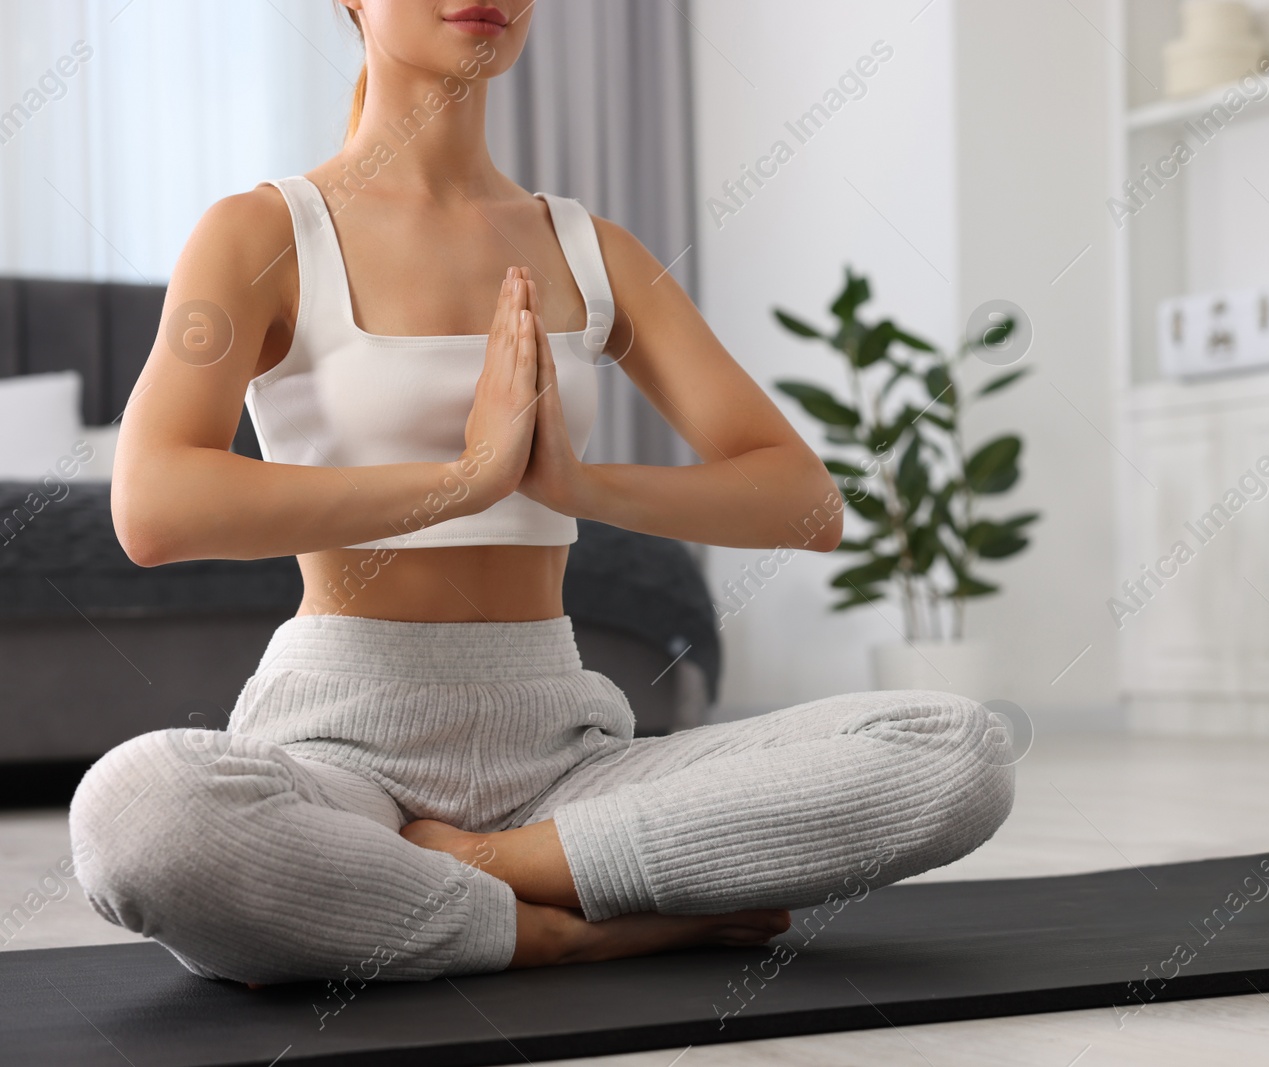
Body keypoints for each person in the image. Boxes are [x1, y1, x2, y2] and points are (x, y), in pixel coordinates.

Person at [67, 0, 1014, 985]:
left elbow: (804, 504)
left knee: (957, 749)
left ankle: (494, 869)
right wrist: (461, 480)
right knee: (141, 813)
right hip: (338, 748)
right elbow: (154, 503)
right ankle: (555, 927)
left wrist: (581, 484)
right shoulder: (260, 231)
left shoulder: (589, 247)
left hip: (565, 753)